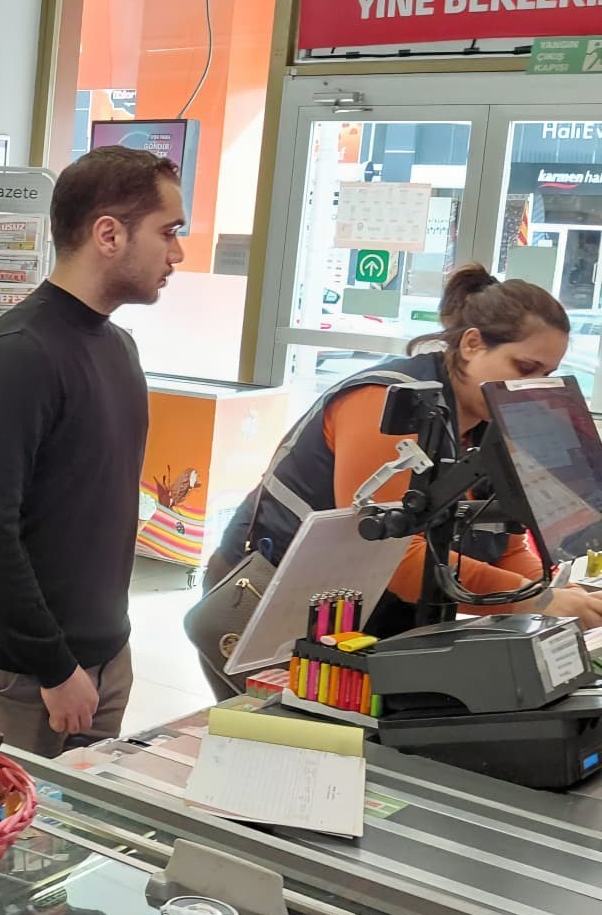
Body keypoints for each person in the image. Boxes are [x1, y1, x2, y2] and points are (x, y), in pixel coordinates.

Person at [196, 264, 602, 698]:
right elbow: (396, 559)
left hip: (365, 614)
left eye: (546, 375)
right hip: (273, 605)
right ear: (472, 344)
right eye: (524, 367)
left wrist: (559, 595)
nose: (533, 388)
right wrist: (534, 600)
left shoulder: (487, 421)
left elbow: (507, 542)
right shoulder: (388, 403)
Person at [0, 146, 186, 756]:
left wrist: (108, 651)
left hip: (102, 660)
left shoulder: (119, 348)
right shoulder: (17, 355)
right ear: (109, 234)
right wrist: (54, 666)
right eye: (168, 232)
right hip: (17, 675)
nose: (177, 253)